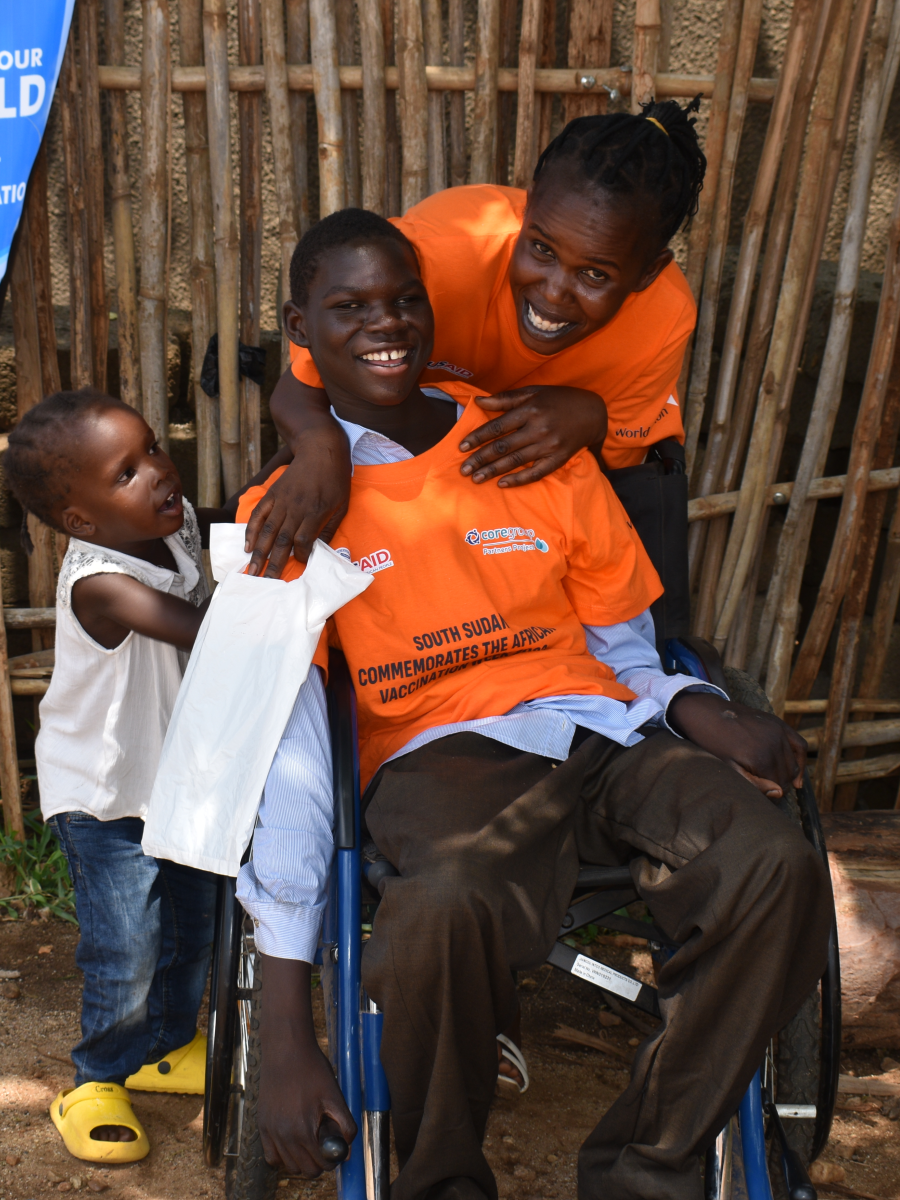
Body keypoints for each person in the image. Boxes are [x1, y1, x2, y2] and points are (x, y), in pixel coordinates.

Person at [235, 211, 832, 1200]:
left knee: (773, 865)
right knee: (437, 914)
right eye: (350, 308)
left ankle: (647, 1169)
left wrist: (694, 706)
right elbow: (294, 759)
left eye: (404, 300)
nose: (387, 325)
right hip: (441, 761)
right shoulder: (293, 511)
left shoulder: (528, 444)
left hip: (605, 737)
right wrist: (288, 1034)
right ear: (303, 326)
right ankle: (440, 1183)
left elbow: (622, 650)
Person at [242, 98, 706, 644]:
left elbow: (622, 455)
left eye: (595, 275)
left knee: (653, 632)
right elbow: (301, 383)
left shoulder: (664, 317)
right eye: (541, 249)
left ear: (648, 273)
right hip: (429, 453)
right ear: (526, 211)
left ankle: (670, 673)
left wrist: (591, 415)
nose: (554, 293)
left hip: (564, 475)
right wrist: (321, 447)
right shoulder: (436, 256)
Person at [3, 390, 260, 1164]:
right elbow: (210, 633)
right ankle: (96, 1076)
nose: (156, 471)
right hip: (107, 794)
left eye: (151, 448)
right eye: (126, 472)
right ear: (81, 520)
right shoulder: (99, 583)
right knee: (130, 943)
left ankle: (165, 1045)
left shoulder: (169, 525)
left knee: (194, 924)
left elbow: (226, 523)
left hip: (172, 777)